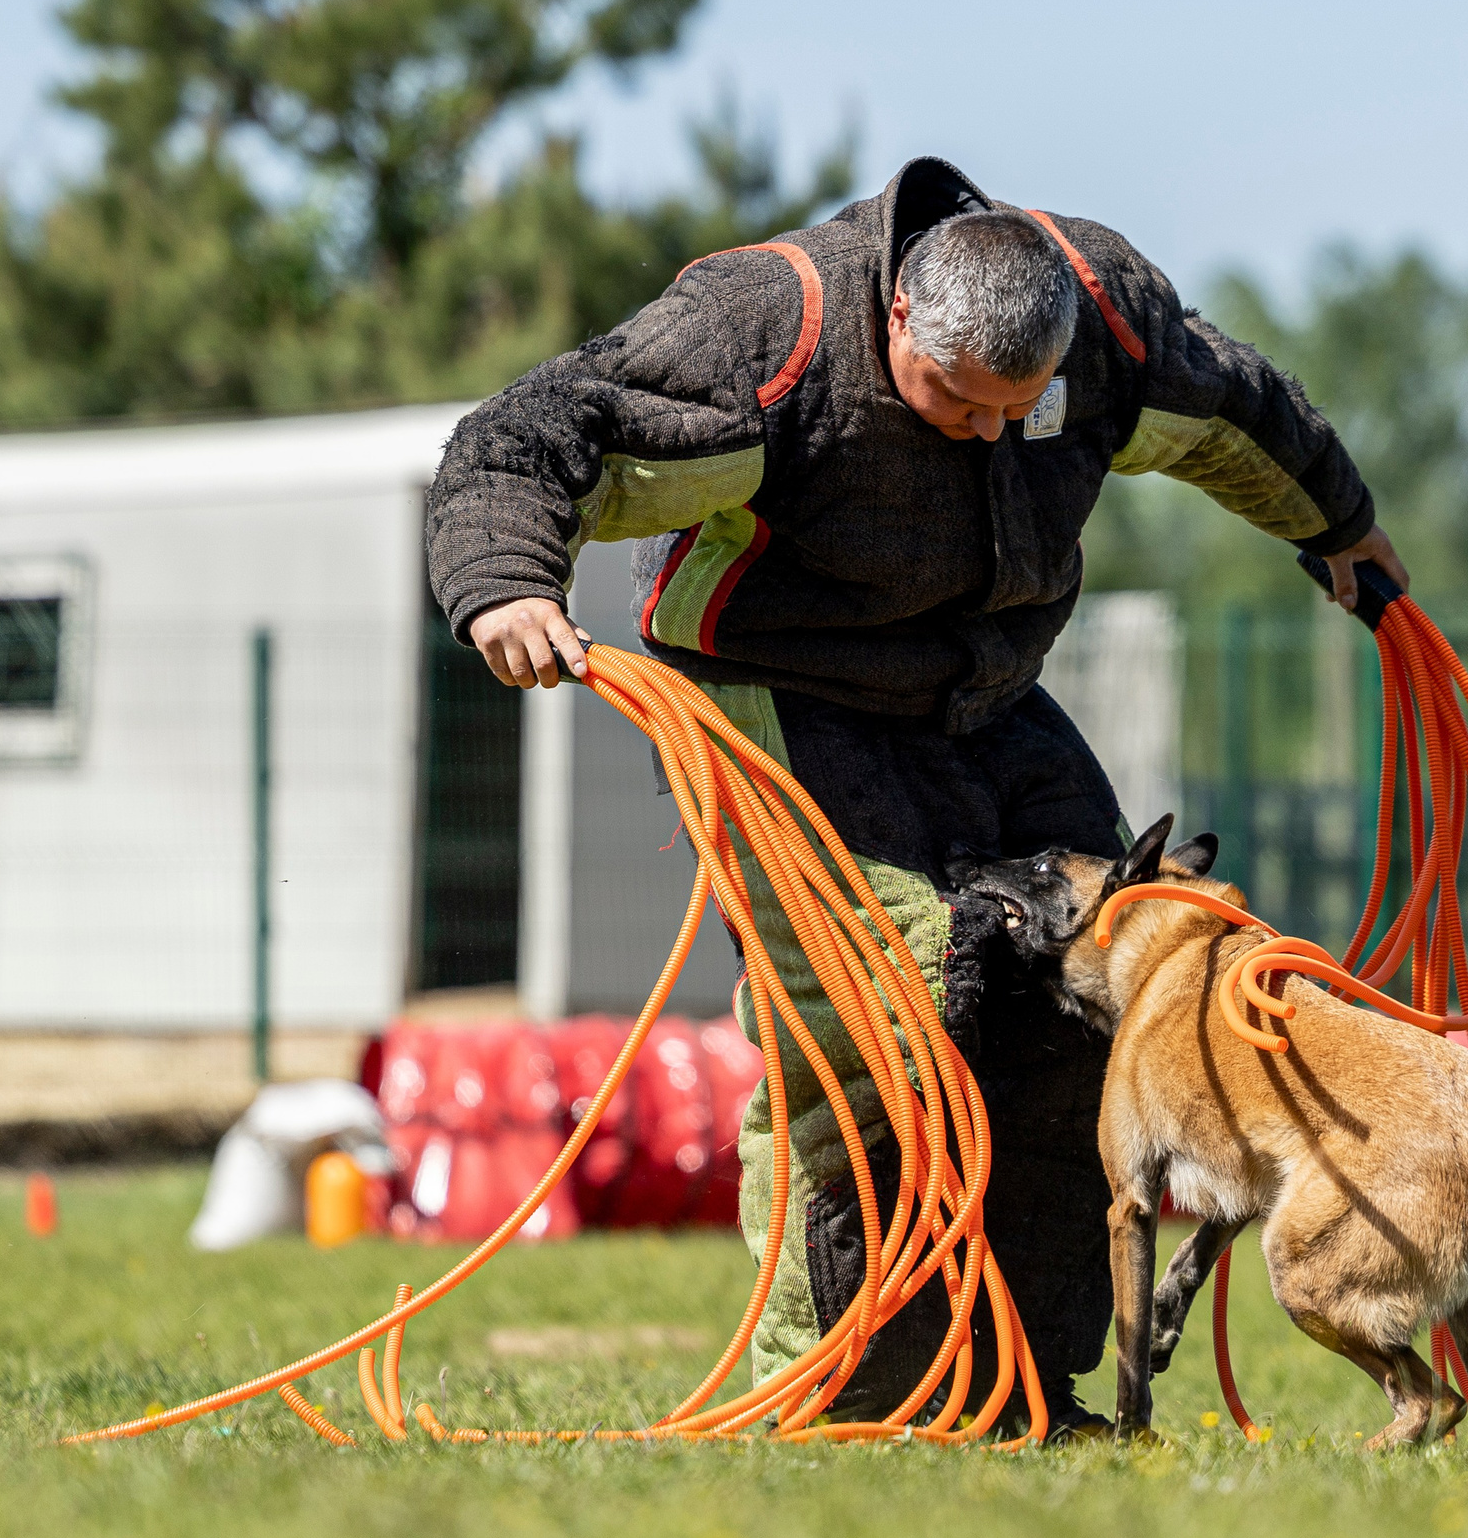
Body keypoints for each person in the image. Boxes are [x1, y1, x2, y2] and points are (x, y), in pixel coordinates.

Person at [426, 155, 1408, 1433]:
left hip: (988, 699)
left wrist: (1340, 526)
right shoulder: (761, 331)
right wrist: (504, 580)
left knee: (1107, 974)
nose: (994, 431)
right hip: (777, 693)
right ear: (898, 317)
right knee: (894, 1003)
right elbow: (527, 434)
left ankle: (1024, 1385)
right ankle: (837, 1384)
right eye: (960, 400)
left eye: (1022, 407)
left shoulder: (1104, 316)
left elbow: (1243, 414)